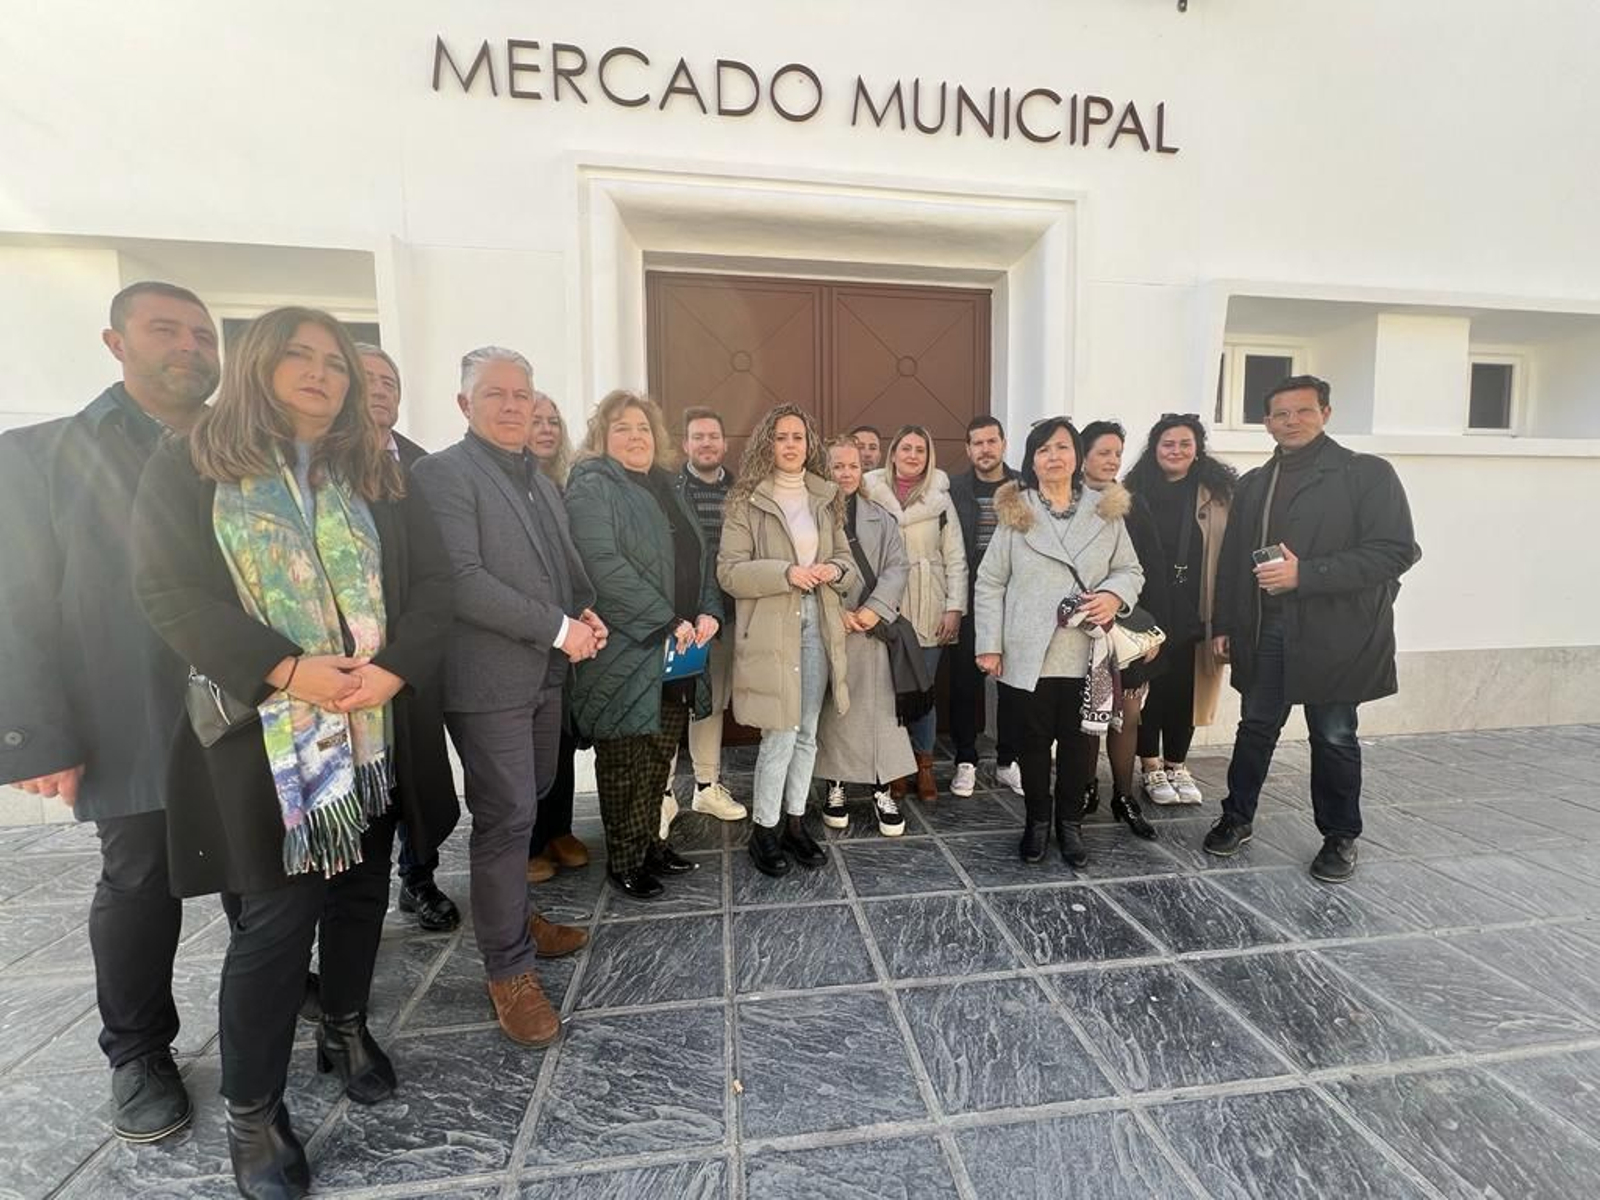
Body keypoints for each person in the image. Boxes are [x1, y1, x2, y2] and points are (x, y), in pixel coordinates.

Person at [131, 307, 458, 1199]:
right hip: (263, 735)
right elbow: (166, 590)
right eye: (297, 358)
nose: (320, 374)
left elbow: (433, 588)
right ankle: (253, 1112)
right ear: (259, 368)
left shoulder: (379, 473)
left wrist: (389, 673)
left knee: (361, 890)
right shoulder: (194, 462)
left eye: (335, 363)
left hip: (372, 725)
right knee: (277, 924)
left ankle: (346, 1026)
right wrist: (284, 669)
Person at [0, 282, 219, 1146]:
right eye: (166, 330)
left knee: (256, 870)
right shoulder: (41, 456)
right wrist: (37, 733)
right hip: (127, 707)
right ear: (115, 341)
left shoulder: (234, 450)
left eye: (203, 335)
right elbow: (16, 602)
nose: (190, 347)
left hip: (243, 703)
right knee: (138, 879)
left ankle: (274, 983)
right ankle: (137, 1051)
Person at [411, 348, 599, 1048]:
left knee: (534, 797)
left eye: (524, 394)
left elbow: (565, 569)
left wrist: (586, 609)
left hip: (545, 672)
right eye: (497, 395)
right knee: (506, 815)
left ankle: (514, 919)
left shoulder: (540, 480)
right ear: (465, 405)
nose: (515, 406)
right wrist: (559, 628)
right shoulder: (442, 475)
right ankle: (508, 970)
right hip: (487, 678)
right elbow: (462, 579)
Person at [1204, 376, 1420, 882]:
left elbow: (1395, 552)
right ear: (1266, 423)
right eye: (1281, 414)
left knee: (1334, 735)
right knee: (1255, 727)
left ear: (1325, 412)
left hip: (1335, 633)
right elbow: (1235, 563)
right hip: (1265, 629)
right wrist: (1225, 625)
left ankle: (1340, 836)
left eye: (1303, 411)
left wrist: (1307, 574)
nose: (1291, 421)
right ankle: (1237, 816)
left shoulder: (1365, 474)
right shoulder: (1256, 482)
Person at [564, 389, 723, 899]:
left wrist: (707, 612)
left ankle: (651, 844)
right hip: (628, 651)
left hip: (676, 650)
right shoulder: (591, 487)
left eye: (643, 428)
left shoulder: (666, 486)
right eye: (622, 428)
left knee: (658, 758)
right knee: (623, 762)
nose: (636, 437)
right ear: (601, 438)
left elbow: (698, 557)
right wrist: (664, 620)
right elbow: (602, 566)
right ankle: (625, 859)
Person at [974, 417, 1144, 866]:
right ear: (1032, 460)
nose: (1054, 457)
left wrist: (1112, 595)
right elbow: (990, 581)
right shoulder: (1017, 511)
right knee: (1031, 744)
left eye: (1063, 447)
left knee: (1080, 745)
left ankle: (1070, 825)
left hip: (1087, 653)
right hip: (1029, 650)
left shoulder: (1105, 510)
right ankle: (1036, 822)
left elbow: (1131, 570)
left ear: (1077, 456)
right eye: (1044, 449)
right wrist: (989, 644)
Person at [719, 404, 855, 877]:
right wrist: (787, 573)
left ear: (809, 445)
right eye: (781, 437)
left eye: (798, 436)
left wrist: (834, 569)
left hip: (819, 624)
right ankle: (765, 831)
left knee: (807, 733)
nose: (791, 444)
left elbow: (846, 561)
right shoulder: (745, 500)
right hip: (773, 629)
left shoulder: (825, 496)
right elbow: (730, 573)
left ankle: (796, 824)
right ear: (767, 444)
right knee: (778, 734)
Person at [356, 343, 461, 933]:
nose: (379, 390)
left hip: (413, 657)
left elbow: (437, 569)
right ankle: (350, 901)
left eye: (389, 381)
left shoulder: (419, 467)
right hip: (342, 666)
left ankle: (417, 877)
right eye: (366, 378)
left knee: (419, 780)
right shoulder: (315, 466)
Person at [1122, 413, 1236, 809]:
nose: (1176, 450)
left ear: (1197, 449)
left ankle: (1177, 764)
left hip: (1196, 607)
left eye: (1185, 443)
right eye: (1168, 443)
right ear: (1154, 449)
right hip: (1148, 609)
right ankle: (1150, 765)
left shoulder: (1217, 495)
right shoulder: (1133, 493)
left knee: (1187, 689)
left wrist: (1225, 617)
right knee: (1150, 688)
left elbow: (1231, 559)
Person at [813, 437, 915, 836]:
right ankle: (834, 785)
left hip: (873, 629)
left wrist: (873, 610)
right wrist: (834, 613)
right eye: (837, 466)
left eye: (853, 466)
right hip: (831, 628)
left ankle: (880, 786)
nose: (845, 474)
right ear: (824, 470)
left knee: (878, 713)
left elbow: (897, 567)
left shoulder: (881, 517)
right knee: (835, 711)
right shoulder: (811, 516)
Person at [862, 425, 967, 802]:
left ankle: (923, 766)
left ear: (928, 457)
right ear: (893, 454)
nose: (912, 455)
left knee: (921, 691)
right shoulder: (869, 492)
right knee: (887, 693)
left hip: (927, 603)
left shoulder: (940, 500)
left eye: (920, 450)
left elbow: (955, 558)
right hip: (885, 606)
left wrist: (954, 608)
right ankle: (895, 769)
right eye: (905, 448)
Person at [1073, 421, 1163, 840]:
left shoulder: (1134, 504)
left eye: (1117, 453)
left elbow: (1151, 571)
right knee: (1088, 715)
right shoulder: (1065, 501)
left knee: (1127, 715)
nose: (1111, 460)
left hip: (1128, 626)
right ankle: (1086, 786)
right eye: (1103, 452)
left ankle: (1123, 795)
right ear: (1082, 455)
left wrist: (1150, 633)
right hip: (1081, 630)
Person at [523, 390, 592, 885]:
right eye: (536, 420)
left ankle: (558, 829)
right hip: (528, 632)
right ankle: (528, 843)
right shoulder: (510, 485)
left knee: (562, 738)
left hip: (570, 635)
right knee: (525, 748)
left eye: (553, 420)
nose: (546, 429)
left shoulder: (564, 485)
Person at [667, 406, 748, 824]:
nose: (706, 444)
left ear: (724, 443)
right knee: (671, 704)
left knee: (712, 703)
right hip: (681, 618)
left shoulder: (741, 491)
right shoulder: (668, 489)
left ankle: (705, 787)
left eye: (713, 437)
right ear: (686, 445)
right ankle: (663, 794)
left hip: (728, 615)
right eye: (697, 437)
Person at [947, 415, 1022, 798]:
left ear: (1004, 444)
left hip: (1017, 600)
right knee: (965, 683)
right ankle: (965, 760)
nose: (985, 449)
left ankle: (1009, 761)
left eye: (992, 441)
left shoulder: (1026, 486)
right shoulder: (955, 488)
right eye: (977, 443)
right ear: (968, 449)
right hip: (972, 598)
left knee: (1013, 684)